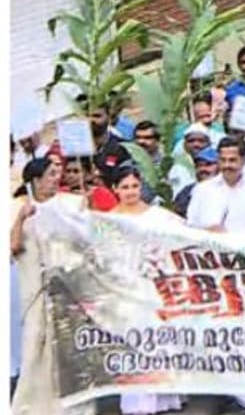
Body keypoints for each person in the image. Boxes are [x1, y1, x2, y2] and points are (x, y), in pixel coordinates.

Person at [10, 157, 92, 415]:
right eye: (50, 175)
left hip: (67, 290)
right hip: (35, 289)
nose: (56, 179)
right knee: (36, 345)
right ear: (35, 180)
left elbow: (84, 242)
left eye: (57, 173)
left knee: (69, 348)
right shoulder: (17, 209)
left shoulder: (68, 205)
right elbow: (13, 248)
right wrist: (22, 219)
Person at [109, 166, 186, 415]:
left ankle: (162, 399)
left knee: (159, 343)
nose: (130, 192)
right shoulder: (107, 220)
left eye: (134, 186)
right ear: (115, 189)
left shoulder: (159, 216)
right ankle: (137, 403)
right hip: (125, 292)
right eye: (124, 187)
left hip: (156, 291)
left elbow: (183, 237)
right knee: (133, 345)